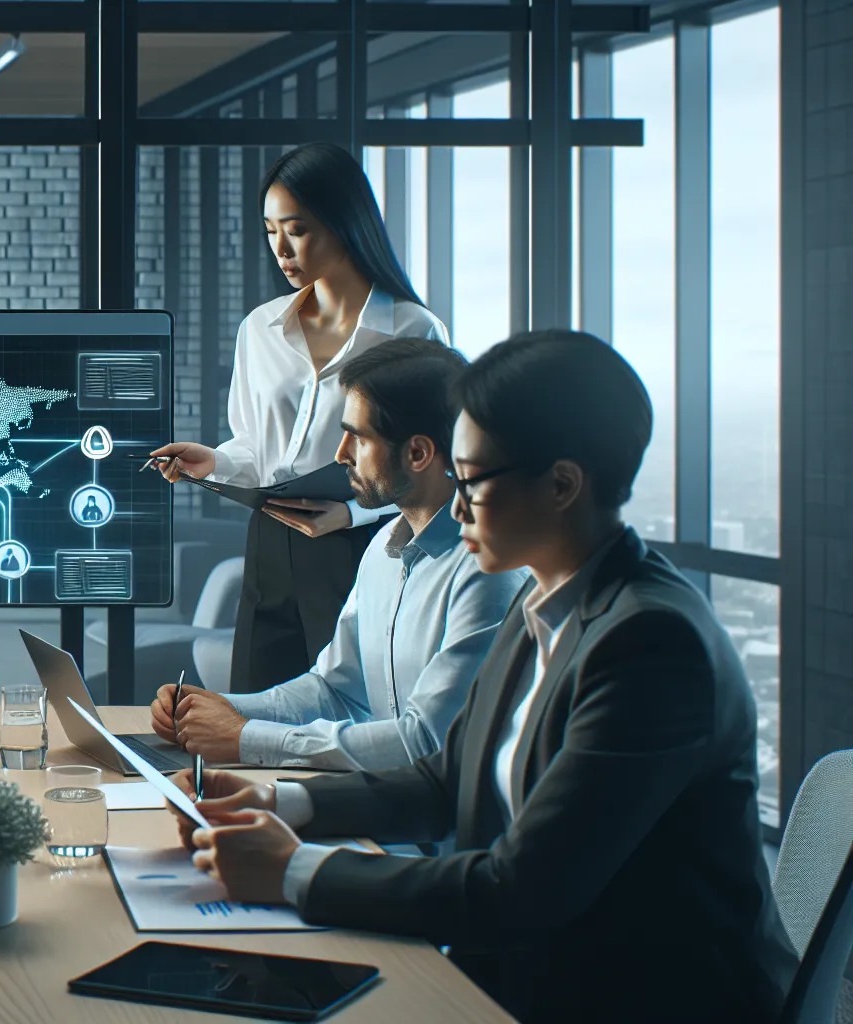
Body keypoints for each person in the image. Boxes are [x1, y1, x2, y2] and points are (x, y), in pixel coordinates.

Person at [173, 331, 796, 1023]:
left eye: (471, 481)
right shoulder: (546, 601)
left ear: (562, 484)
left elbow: (523, 890)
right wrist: (283, 805)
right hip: (534, 970)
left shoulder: (652, 644)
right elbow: (447, 779)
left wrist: (292, 871)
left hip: (639, 996)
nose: (457, 506)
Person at [149, 143, 450, 693]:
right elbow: (259, 449)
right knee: (249, 709)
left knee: (354, 706)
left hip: (363, 546)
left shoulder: (413, 331)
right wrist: (212, 460)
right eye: (270, 231)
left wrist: (350, 515)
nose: (281, 249)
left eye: (297, 229)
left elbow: (434, 466)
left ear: (345, 223)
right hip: (269, 541)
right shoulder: (259, 329)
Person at [148, 338, 527, 771]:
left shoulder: (487, 573)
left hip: (427, 833)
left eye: (358, 438)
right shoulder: (383, 552)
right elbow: (335, 691)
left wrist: (244, 737)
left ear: (418, 453)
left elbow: (428, 741)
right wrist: (218, 709)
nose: (340, 454)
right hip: (378, 813)